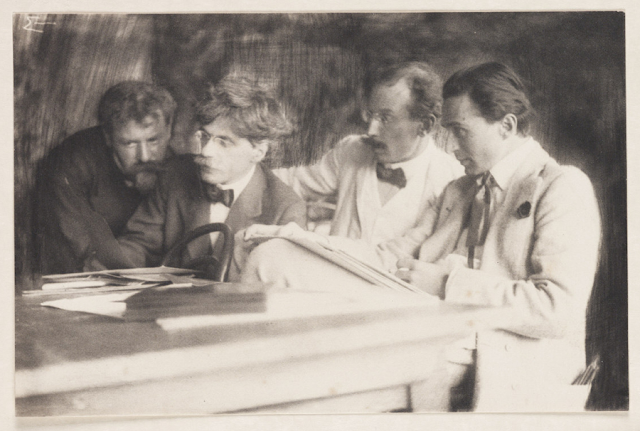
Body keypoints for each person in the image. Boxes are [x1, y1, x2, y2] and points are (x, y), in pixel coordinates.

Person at [240, 62, 601, 412]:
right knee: (273, 258)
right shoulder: (460, 190)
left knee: (315, 370)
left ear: (506, 126)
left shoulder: (562, 185)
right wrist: (296, 239)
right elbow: (388, 257)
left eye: (460, 131)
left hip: (499, 352)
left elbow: (557, 311)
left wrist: (447, 283)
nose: (452, 145)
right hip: (429, 323)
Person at [115, 75, 306, 274]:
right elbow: (139, 244)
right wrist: (99, 271)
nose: (205, 151)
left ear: (258, 152)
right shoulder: (175, 174)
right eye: (205, 136)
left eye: (224, 142)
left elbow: (276, 285)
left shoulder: (286, 209)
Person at [276, 61, 463, 247]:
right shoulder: (352, 150)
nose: (371, 131)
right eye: (371, 115)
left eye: (385, 118)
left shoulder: (452, 180)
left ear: (425, 125)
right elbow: (287, 183)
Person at [37, 81, 177, 274]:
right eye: (129, 143)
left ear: (169, 131)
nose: (144, 156)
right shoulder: (71, 164)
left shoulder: (177, 170)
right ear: (108, 137)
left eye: (153, 140)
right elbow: (76, 253)